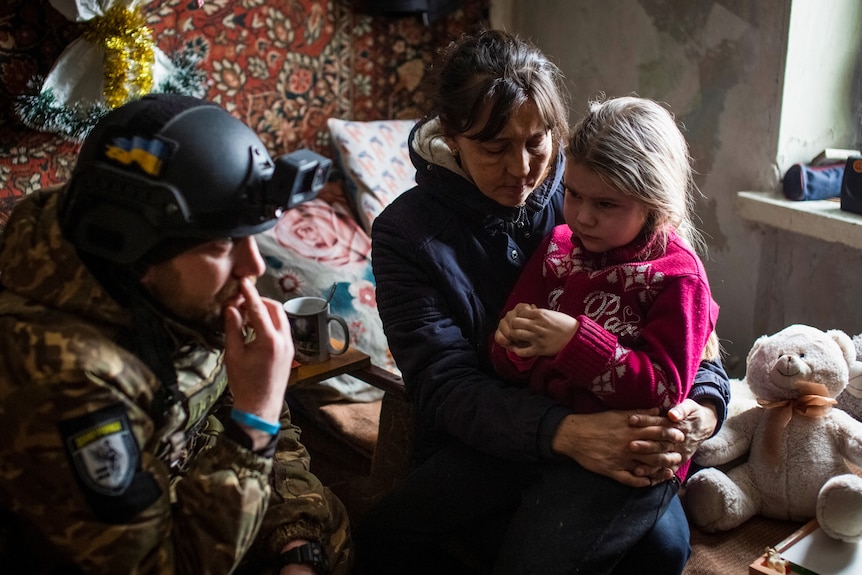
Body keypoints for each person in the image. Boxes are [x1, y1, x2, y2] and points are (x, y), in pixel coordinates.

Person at [356, 30, 730, 575]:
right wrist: (567, 433)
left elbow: (692, 331)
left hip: (619, 415)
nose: (523, 170)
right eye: (494, 148)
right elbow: (446, 388)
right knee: (385, 538)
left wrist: (703, 409)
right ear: (452, 137)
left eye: (537, 141)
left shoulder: (585, 184)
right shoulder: (408, 235)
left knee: (662, 550)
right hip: (493, 435)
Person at [0, 94, 350, 575]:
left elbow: (226, 408)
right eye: (222, 244)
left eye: (253, 235)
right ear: (131, 246)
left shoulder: (175, 297)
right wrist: (256, 423)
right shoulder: (63, 377)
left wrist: (297, 545)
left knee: (327, 525)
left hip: (203, 504)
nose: (253, 267)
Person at [486, 95, 721, 570]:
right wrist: (512, 344)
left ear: (654, 202)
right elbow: (504, 361)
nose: (582, 217)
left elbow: (662, 388)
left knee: (542, 558)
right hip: (552, 435)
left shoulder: (678, 277)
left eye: (606, 203)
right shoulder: (557, 248)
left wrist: (575, 341)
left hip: (635, 455)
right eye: (573, 194)